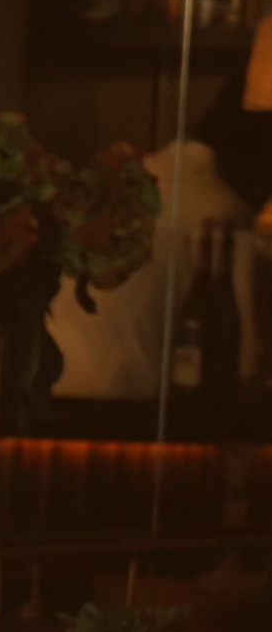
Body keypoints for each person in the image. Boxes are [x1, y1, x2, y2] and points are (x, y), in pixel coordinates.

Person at [49, 81, 272, 400]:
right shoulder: (223, 214)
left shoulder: (148, 173)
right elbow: (244, 364)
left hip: (46, 394)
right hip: (119, 408)